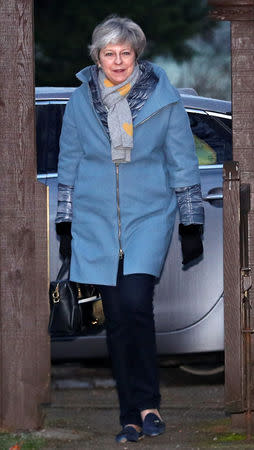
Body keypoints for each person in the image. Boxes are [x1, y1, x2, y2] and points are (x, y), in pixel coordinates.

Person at [55, 15, 204, 444]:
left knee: (136, 304)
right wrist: (64, 219)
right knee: (117, 319)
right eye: (109, 53)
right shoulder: (80, 102)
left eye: (125, 53)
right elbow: (70, 161)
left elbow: (182, 160)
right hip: (96, 221)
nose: (117, 61)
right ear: (97, 57)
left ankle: (150, 403)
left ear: (136, 54)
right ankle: (131, 416)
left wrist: (191, 221)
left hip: (149, 216)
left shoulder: (163, 98)